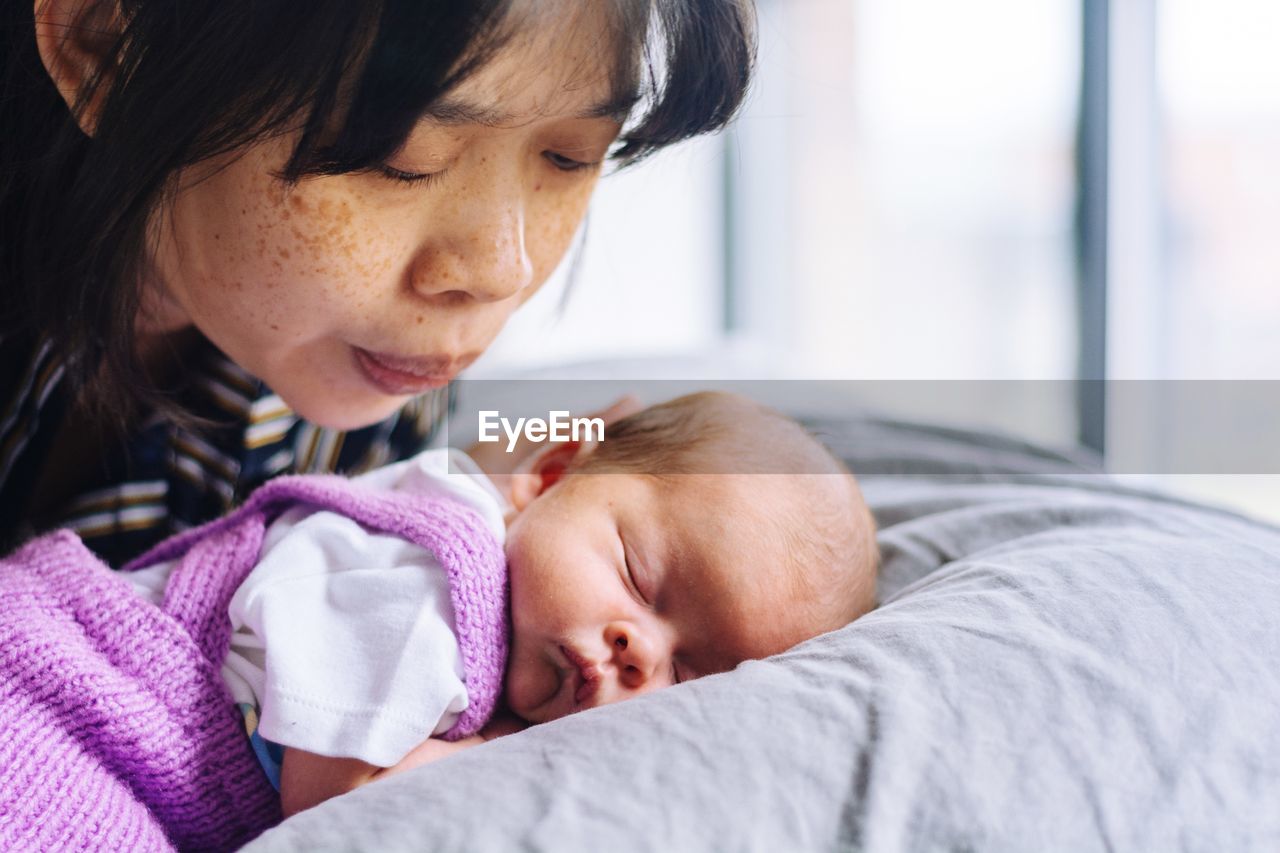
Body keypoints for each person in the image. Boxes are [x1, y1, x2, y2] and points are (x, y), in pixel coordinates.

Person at [0, 0, 756, 565]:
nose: (500, 270)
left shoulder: (356, 375)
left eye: (569, 157)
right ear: (106, 49)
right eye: (404, 158)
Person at [0, 392, 879, 849]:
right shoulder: (436, 578)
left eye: (690, 673)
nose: (638, 649)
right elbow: (335, 808)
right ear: (553, 472)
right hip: (55, 702)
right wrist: (490, 746)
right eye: (639, 578)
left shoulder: (504, 577)